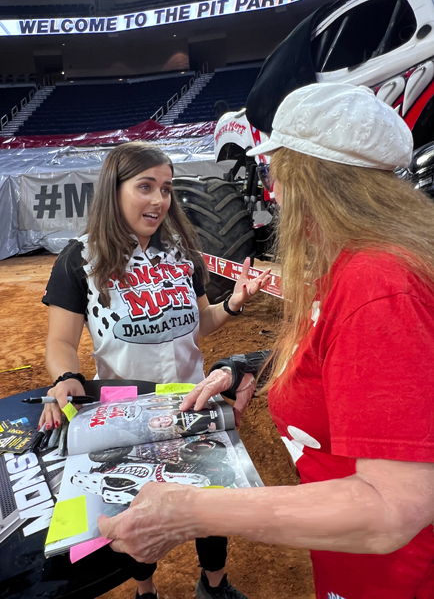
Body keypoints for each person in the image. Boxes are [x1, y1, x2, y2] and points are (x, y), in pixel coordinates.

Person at [97, 85, 434, 599]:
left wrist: (187, 510)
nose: (272, 190)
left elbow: (394, 509)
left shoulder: (378, 281)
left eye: (278, 173)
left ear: (312, 181)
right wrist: (254, 364)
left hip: (395, 574)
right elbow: (342, 355)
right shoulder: (356, 264)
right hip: (358, 558)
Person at [39, 141, 271, 599]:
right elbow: (61, 341)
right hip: (126, 412)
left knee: (208, 497)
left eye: (165, 188)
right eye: (145, 187)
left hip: (194, 398)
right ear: (114, 190)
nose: (159, 200)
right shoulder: (79, 260)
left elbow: (199, 324)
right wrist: (66, 377)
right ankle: (145, 590)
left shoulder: (183, 254)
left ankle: (214, 585)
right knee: (135, 506)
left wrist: (234, 303)